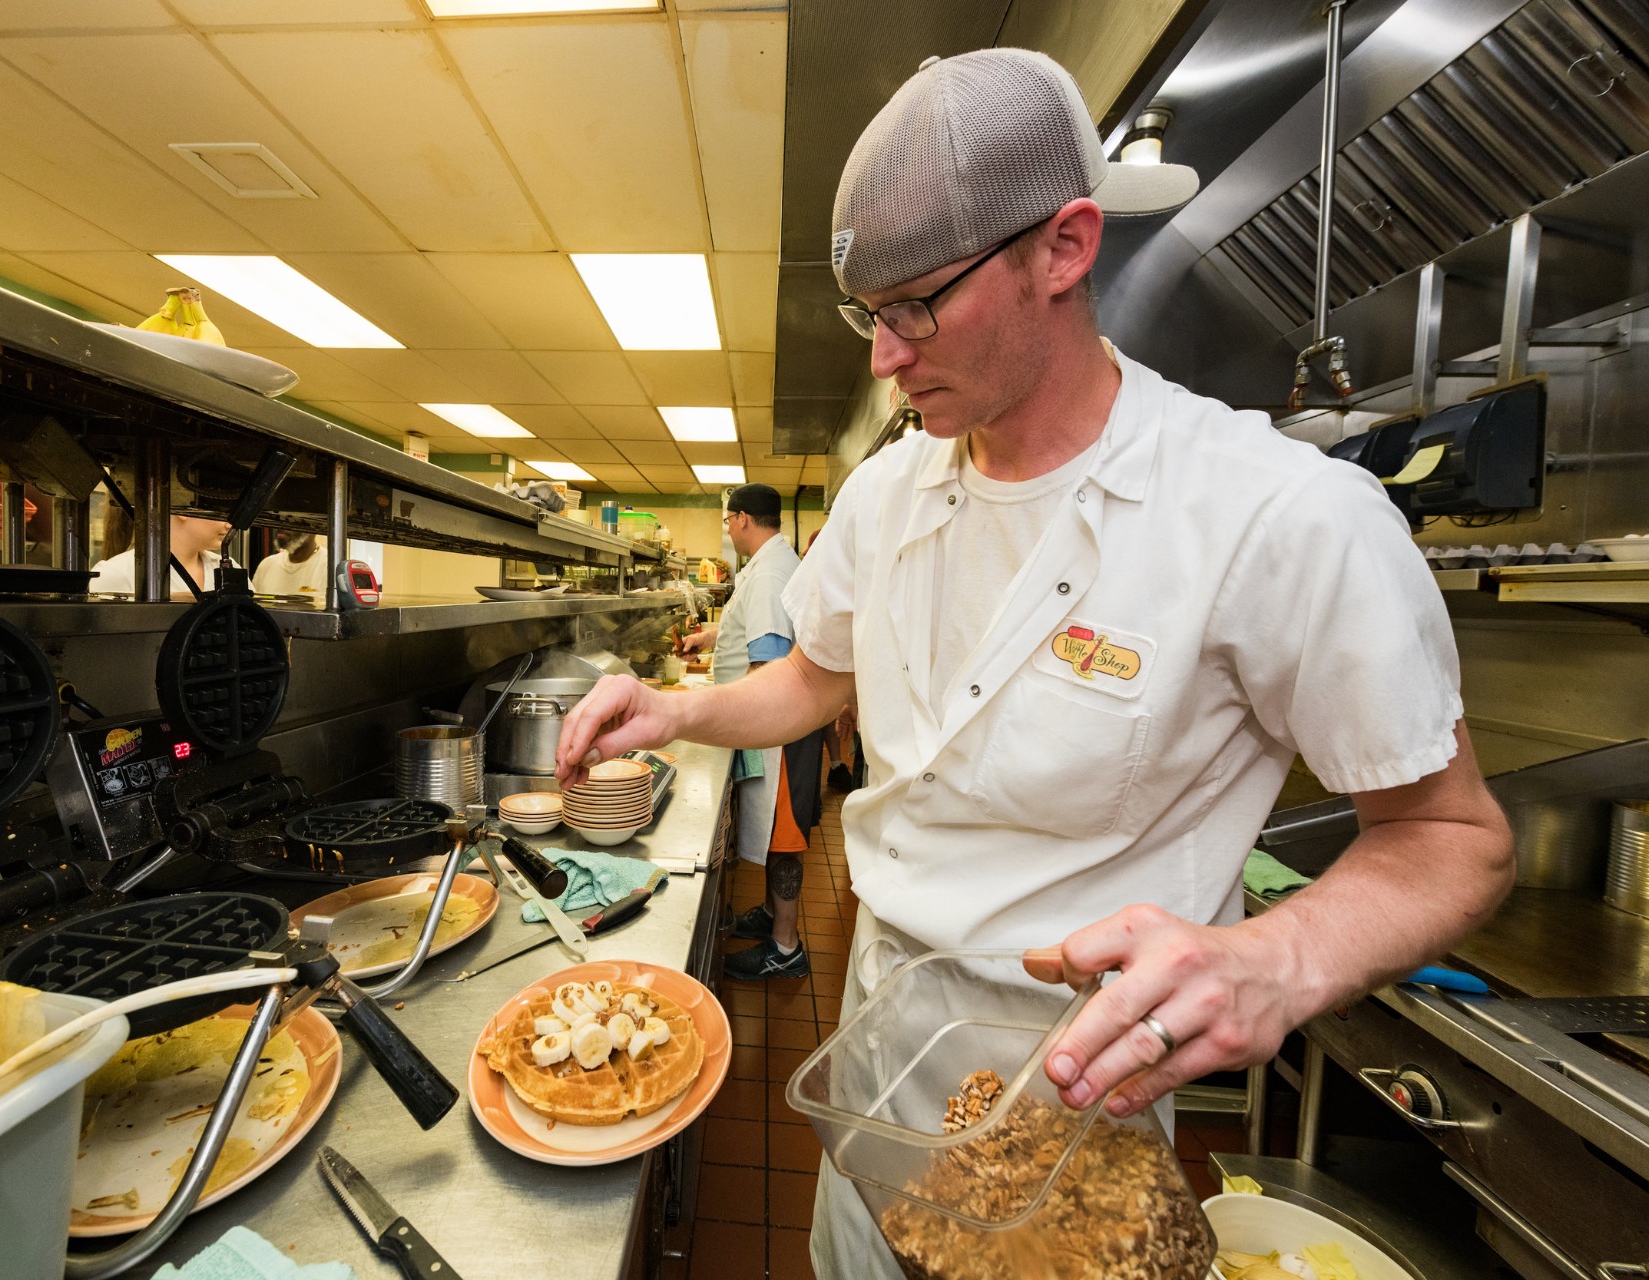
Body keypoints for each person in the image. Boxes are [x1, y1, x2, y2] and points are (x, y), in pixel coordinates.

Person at [556, 47, 1515, 1276]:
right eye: (868, 313)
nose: (884, 357)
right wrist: (673, 709)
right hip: (875, 1066)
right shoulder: (886, 493)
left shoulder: (1279, 515)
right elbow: (816, 679)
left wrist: (1275, 960)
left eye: (916, 308)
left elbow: (1452, 835)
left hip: (1079, 1102)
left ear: (1064, 248)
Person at [675, 484, 823, 980]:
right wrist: (710, 637)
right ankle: (770, 916)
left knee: (784, 837)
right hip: (775, 728)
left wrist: (713, 712)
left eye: (727, 520)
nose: (729, 528)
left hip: (779, 735)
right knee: (776, 832)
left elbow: (769, 663)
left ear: (741, 518)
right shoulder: (771, 564)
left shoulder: (770, 573)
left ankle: (786, 947)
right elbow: (753, 627)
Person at [90, 513, 228, 599]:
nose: (229, 525)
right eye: (221, 512)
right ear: (184, 512)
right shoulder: (115, 574)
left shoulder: (229, 567)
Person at [250, 532, 329, 606]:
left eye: (292, 522)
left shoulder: (329, 566)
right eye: (280, 522)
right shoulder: (267, 564)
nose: (282, 526)